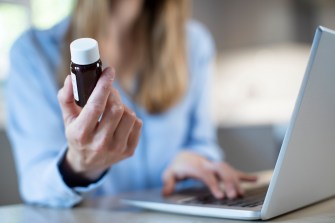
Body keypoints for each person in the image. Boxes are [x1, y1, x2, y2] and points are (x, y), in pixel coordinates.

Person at [6, 0, 256, 208]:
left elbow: (203, 143)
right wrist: (78, 167)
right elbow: (35, 184)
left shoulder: (193, 43)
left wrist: (194, 159)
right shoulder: (33, 52)